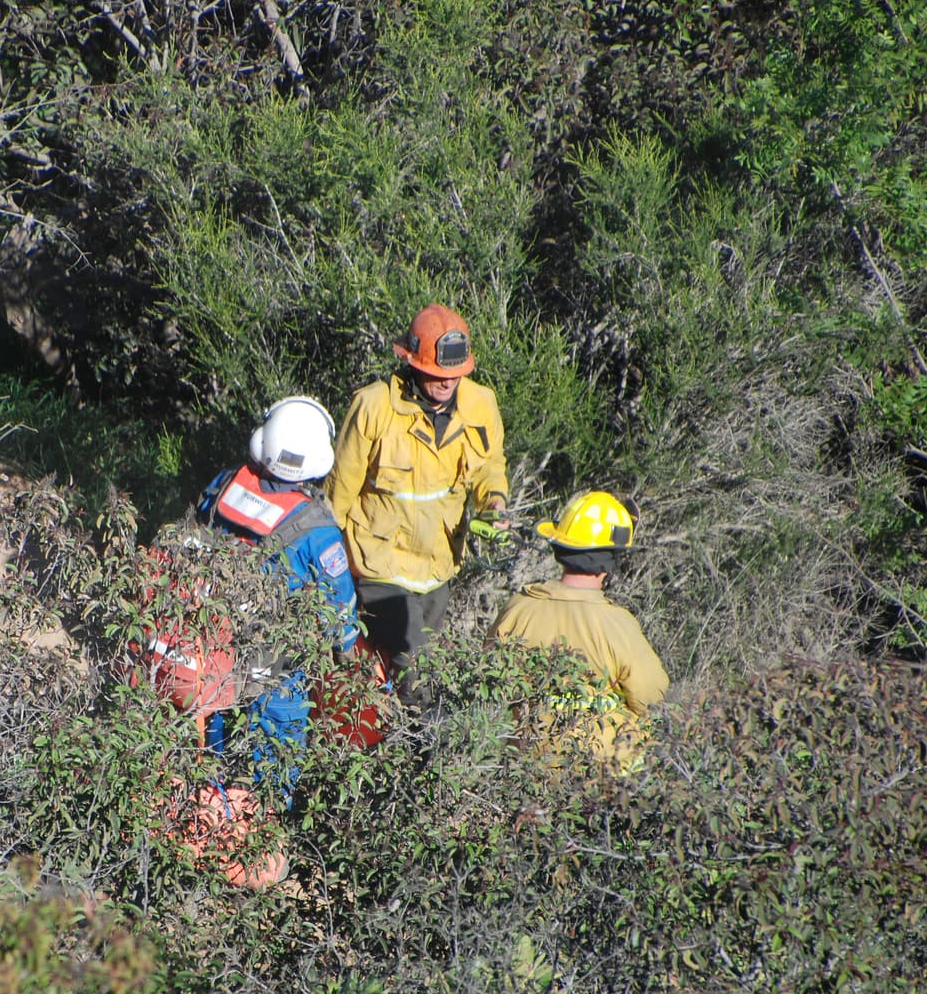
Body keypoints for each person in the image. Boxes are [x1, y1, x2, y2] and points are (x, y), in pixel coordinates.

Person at [326, 303, 508, 704]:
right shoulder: (374, 408)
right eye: (437, 374)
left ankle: (390, 742)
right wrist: (326, 569)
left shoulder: (481, 405)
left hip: (437, 568)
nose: (447, 384)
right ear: (411, 363)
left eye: (455, 376)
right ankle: (425, 751)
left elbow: (489, 466)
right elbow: (338, 494)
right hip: (379, 567)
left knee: (417, 667)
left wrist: (494, 503)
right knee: (417, 669)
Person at [197, 394, 361, 783]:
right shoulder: (317, 530)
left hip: (214, 650)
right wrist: (348, 653)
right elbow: (340, 610)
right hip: (275, 669)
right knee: (273, 767)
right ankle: (264, 836)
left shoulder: (225, 486)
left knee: (211, 759)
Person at [489, 490, 669, 774]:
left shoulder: (518, 609)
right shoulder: (617, 624)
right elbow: (653, 699)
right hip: (603, 778)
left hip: (529, 770)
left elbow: (490, 680)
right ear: (610, 560)